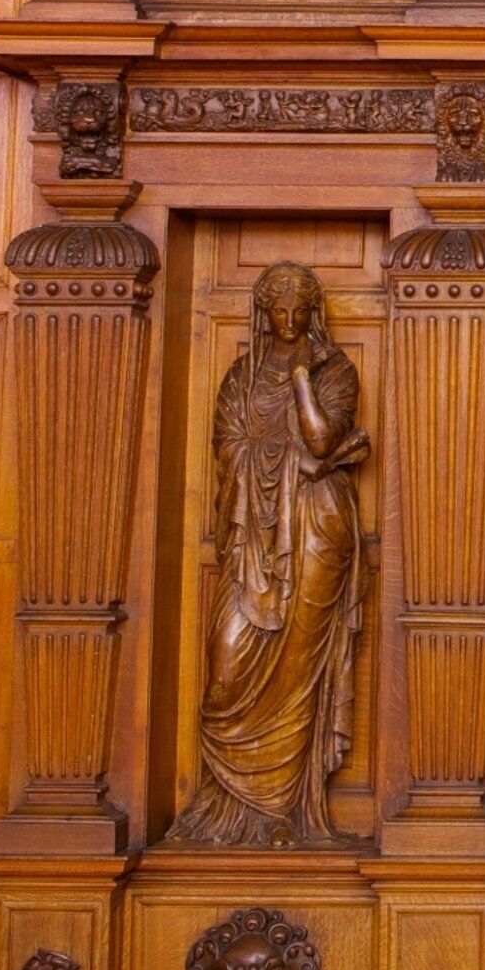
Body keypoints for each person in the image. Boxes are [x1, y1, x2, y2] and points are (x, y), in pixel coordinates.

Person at [167, 263, 369, 850]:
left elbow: (324, 439)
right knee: (227, 658)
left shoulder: (336, 371)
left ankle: (285, 812)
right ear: (263, 314)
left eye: (299, 309)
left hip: (314, 528)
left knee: (300, 665)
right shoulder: (240, 377)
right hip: (253, 534)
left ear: (313, 312)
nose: (288, 320)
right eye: (278, 310)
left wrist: (304, 383)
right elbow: (227, 445)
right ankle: (231, 810)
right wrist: (285, 460)